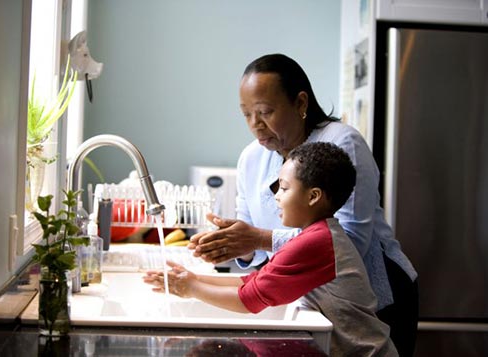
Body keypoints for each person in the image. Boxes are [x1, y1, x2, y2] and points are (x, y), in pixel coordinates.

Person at [188, 54, 418, 356]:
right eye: (246, 114)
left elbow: (350, 244)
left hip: (377, 301)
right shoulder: (251, 158)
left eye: (265, 111)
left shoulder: (342, 143)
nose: (256, 125)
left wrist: (259, 237)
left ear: (300, 103)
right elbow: (254, 249)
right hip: (313, 301)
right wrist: (233, 244)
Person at [144, 142, 398, 356]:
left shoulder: (316, 243)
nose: (276, 196)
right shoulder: (316, 235)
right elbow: (252, 281)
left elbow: (247, 301)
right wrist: (194, 278)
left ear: (313, 197)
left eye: (284, 188)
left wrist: (190, 288)